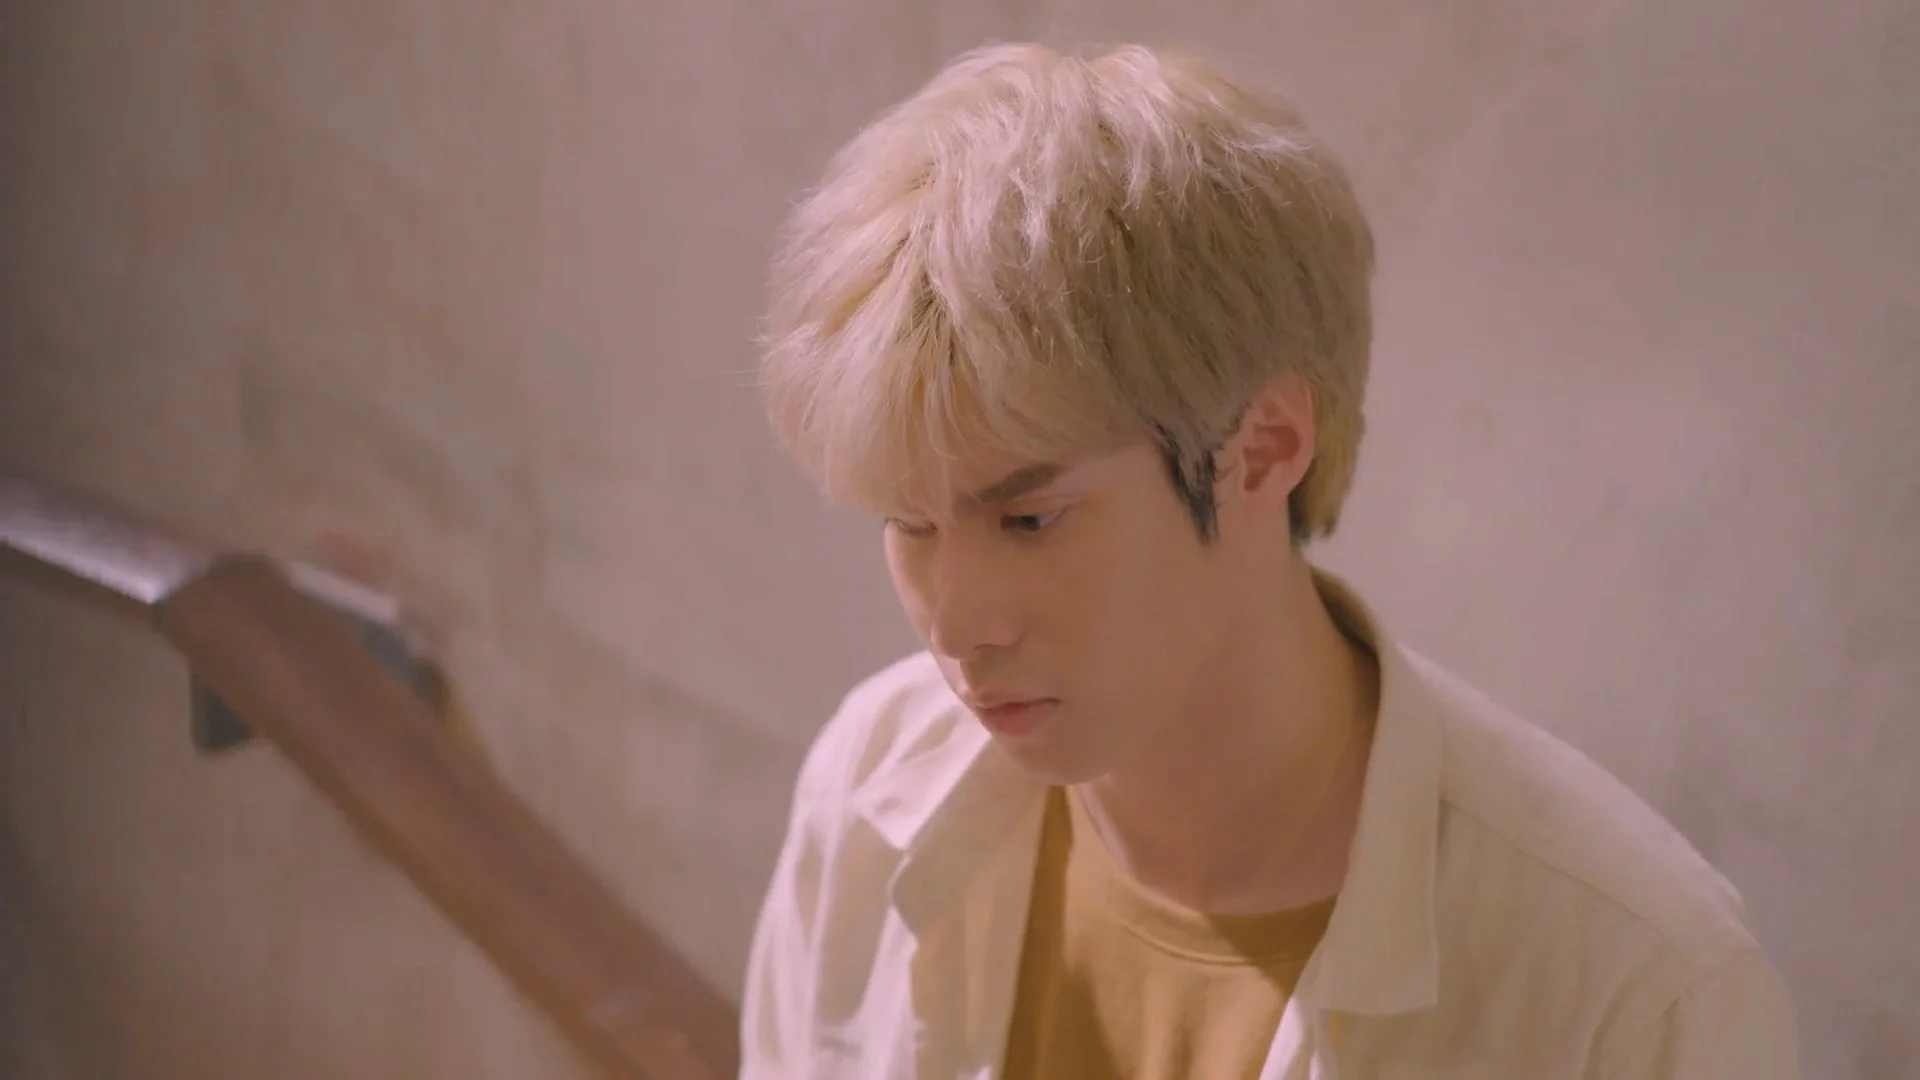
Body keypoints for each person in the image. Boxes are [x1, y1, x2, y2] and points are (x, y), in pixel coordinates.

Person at [740, 41, 1800, 1079]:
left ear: (1264, 448)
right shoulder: (870, 779)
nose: (956, 625)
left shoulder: (1631, 992)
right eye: (908, 525)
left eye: (1030, 520)